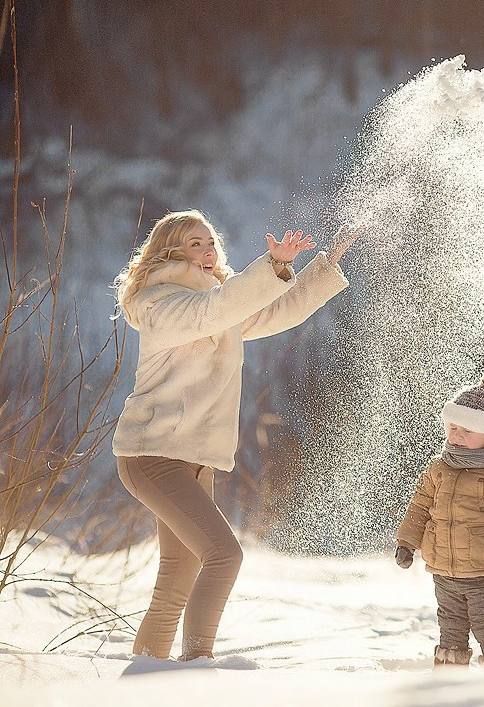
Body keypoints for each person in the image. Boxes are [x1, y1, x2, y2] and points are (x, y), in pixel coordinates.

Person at [112, 209, 359, 661]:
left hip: (191, 459)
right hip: (152, 455)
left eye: (210, 243)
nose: (206, 251)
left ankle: (148, 676)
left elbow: (275, 311)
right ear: (170, 252)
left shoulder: (217, 305)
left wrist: (321, 267)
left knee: (176, 581)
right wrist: (269, 267)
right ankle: (198, 666)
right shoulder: (161, 304)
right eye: (194, 244)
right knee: (224, 556)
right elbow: (215, 309)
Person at [394, 371, 484, 666]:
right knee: (450, 631)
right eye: (452, 427)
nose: (456, 435)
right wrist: (407, 542)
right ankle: (449, 685)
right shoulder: (439, 468)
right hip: (444, 571)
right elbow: (419, 506)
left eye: (466, 431)